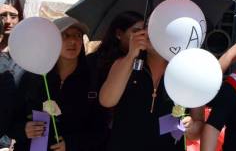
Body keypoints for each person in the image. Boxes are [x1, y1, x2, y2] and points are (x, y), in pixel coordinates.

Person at [98, 17, 198, 150]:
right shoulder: (125, 63)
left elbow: (198, 128)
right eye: (148, 27)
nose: (151, 33)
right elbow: (106, 100)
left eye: (160, 28)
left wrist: (192, 127)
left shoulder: (187, 73)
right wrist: (131, 55)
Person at [10, 17, 109, 151]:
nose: (73, 41)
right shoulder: (31, 76)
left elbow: (100, 129)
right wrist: (23, 129)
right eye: (65, 35)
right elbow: (10, 118)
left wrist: (71, 144)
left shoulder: (93, 79)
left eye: (78, 36)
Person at [88, 11, 144, 86]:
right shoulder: (94, 61)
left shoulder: (145, 59)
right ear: (119, 34)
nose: (142, 36)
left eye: (144, 32)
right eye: (136, 31)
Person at [1, 0, 24, 87]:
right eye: (3, 16)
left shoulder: (25, 50)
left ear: (20, 19)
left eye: (13, 16)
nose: (8, 21)